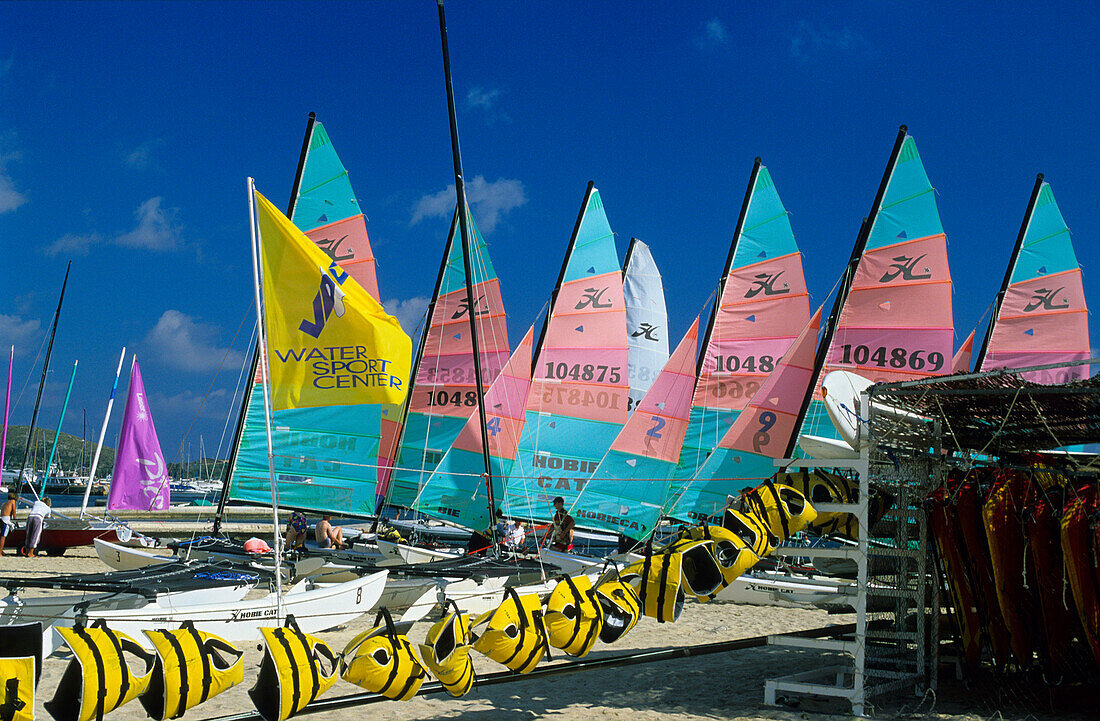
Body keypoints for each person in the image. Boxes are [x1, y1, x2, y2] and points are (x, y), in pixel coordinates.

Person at [0, 492, 17, 556]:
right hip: (5, 520)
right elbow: (14, 511)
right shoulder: (12, 501)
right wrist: (15, 520)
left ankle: (1, 550)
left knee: (3, 535)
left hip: (1, 519)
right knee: (3, 536)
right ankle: (0, 552)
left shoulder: (4, 504)